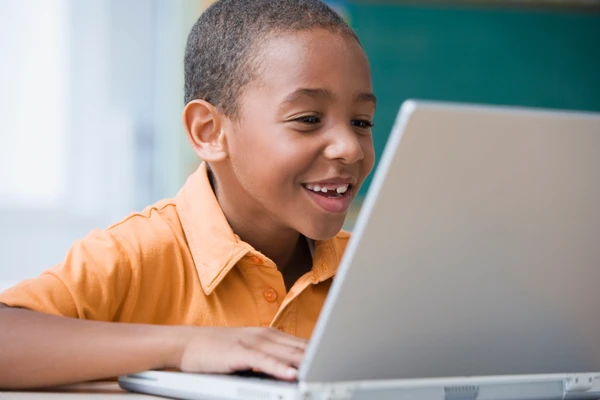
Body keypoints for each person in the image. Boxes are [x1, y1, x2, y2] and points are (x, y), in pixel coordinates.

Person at [0, 0, 376, 389]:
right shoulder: (137, 252)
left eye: (361, 122)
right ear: (209, 132)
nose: (350, 147)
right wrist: (186, 345)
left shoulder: (373, 269)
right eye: (308, 120)